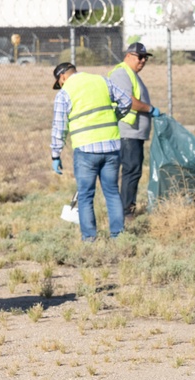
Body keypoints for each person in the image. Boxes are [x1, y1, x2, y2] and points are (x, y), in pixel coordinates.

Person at [50, 62, 157, 241]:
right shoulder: (101, 81)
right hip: (111, 147)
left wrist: (56, 154)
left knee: (85, 195)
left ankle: (90, 239)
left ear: (62, 77)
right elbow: (126, 101)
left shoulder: (64, 93)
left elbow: (59, 127)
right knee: (112, 192)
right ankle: (118, 236)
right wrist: (116, 117)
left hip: (85, 150)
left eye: (60, 83)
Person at [109, 42, 155, 220]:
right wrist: (149, 109)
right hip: (128, 132)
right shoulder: (121, 73)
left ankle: (125, 209)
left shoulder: (132, 74)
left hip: (134, 133)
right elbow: (127, 100)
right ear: (128, 56)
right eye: (139, 57)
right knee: (131, 171)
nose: (143, 61)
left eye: (145, 58)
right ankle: (126, 212)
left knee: (133, 171)